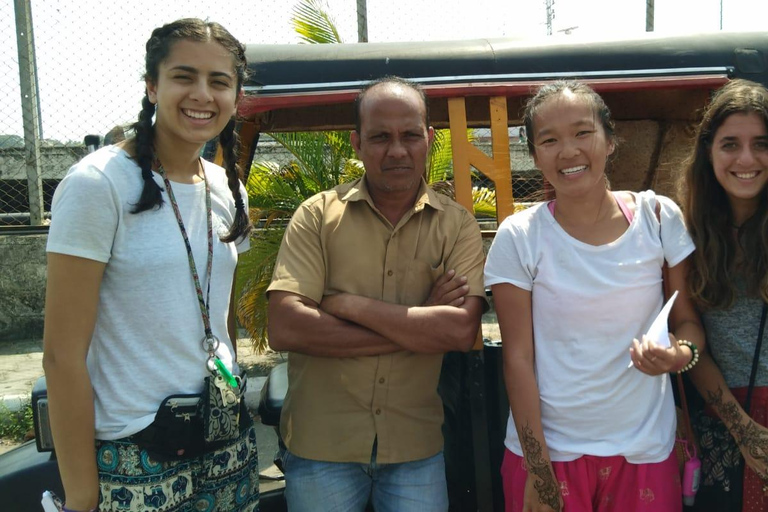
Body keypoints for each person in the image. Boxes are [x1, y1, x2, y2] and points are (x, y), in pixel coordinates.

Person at [43, 18, 258, 512]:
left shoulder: (228, 188)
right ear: (152, 86)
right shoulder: (98, 185)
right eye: (184, 76)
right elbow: (60, 356)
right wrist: (81, 497)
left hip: (225, 440)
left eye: (219, 81)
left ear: (236, 95)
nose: (202, 94)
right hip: (133, 452)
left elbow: (218, 312)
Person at [266, 76, 486, 511]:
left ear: (429, 139)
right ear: (357, 142)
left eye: (409, 136)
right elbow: (286, 327)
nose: (397, 150)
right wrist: (419, 321)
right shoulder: (316, 216)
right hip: (321, 446)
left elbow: (461, 331)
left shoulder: (457, 225)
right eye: (380, 137)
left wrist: (349, 306)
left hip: (415, 448)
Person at [484, 80, 705, 512]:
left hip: (644, 453)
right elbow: (518, 359)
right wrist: (539, 471)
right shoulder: (520, 236)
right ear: (534, 154)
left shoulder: (658, 218)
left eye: (583, 133)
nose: (568, 152)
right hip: (551, 457)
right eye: (549, 140)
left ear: (609, 140)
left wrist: (680, 354)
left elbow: (688, 323)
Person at [679, 79, 768, 512]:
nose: (747, 159)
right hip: (726, 425)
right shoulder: (687, 238)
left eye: (761, 144)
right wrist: (745, 431)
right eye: (730, 144)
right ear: (708, 153)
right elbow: (693, 344)